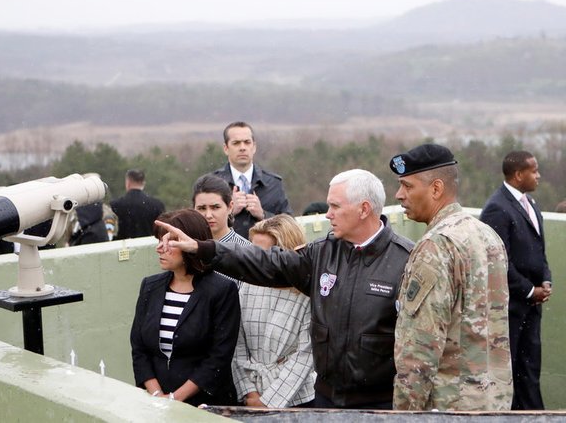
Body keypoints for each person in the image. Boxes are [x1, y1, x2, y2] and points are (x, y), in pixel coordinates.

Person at [155, 169, 414, 409]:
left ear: (364, 209)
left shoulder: (406, 260)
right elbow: (267, 263)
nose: (328, 214)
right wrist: (203, 248)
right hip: (327, 399)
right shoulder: (323, 252)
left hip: (379, 404)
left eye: (335, 206)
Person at [389, 143, 512, 411]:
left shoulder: (436, 245)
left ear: (435, 189)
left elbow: (419, 348)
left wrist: (403, 414)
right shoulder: (487, 236)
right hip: (492, 403)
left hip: (448, 407)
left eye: (408, 186)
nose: (399, 195)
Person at [130, 209, 240, 407]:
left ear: (191, 244)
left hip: (204, 405)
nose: (160, 248)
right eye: (159, 241)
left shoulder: (222, 290)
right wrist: (157, 394)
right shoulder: (150, 286)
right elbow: (139, 348)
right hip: (156, 404)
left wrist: (175, 398)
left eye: (169, 242)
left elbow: (218, 357)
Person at [480, 150, 552, 410]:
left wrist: (545, 281)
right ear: (519, 174)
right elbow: (498, 261)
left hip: (532, 307)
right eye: (534, 171)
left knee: (530, 370)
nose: (538, 176)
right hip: (510, 310)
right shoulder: (497, 208)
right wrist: (528, 291)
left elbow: (539, 250)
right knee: (510, 374)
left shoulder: (530, 204)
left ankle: (534, 415)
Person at [232, 214, 315, 408]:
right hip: (251, 395)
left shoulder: (307, 293)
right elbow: (237, 344)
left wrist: (268, 402)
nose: (256, 261)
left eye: (263, 255)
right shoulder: (247, 284)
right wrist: (248, 391)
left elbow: (305, 355)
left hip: (296, 400)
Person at [210, 121, 292, 238]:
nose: (242, 148)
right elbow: (200, 227)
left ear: (254, 147)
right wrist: (228, 212)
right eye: (236, 143)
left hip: (265, 254)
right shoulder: (211, 185)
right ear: (226, 148)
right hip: (225, 254)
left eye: (247, 142)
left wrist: (263, 215)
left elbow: (291, 226)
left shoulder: (273, 183)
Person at [192, 174, 251, 288]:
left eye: (215, 207)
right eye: (202, 208)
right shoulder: (188, 248)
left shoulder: (245, 250)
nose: (208, 215)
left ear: (230, 207)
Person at [111, 169, 165, 240]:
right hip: (149, 247)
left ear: (128, 182)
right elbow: (162, 230)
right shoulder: (157, 205)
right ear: (143, 183)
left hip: (124, 248)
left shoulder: (115, 205)